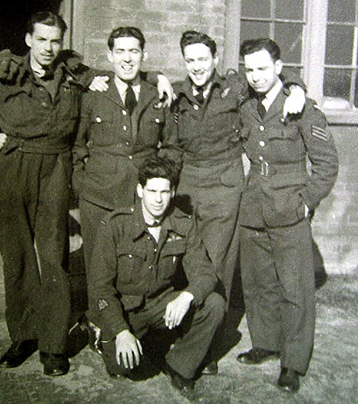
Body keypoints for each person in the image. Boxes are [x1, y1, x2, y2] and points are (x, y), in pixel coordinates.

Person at [0, 11, 101, 376]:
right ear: (28, 39)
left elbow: (115, 79)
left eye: (55, 41)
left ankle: (53, 344)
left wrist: (158, 81)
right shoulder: (6, 74)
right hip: (14, 165)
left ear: (61, 44)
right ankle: (24, 336)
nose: (48, 48)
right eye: (41, 39)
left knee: (53, 254)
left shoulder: (75, 74)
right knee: (15, 254)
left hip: (55, 168)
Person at [172, 30, 306, 373]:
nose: (198, 66)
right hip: (187, 183)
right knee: (187, 261)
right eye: (191, 60)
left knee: (217, 266)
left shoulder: (235, 87)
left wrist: (298, 88)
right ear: (184, 62)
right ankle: (187, 335)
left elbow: (273, 76)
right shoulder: (176, 93)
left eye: (204, 59)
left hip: (224, 184)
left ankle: (210, 347)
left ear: (215, 60)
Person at [236, 38, 339, 393]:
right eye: (249, 69)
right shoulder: (245, 104)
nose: (255, 76)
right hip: (253, 208)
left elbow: (327, 164)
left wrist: (306, 202)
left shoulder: (303, 108)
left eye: (263, 68)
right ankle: (265, 342)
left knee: (295, 289)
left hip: (290, 211)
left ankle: (293, 362)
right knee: (258, 283)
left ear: (279, 68)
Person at [87, 157, 224, 397]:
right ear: (140, 190)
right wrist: (121, 331)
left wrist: (187, 297)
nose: (158, 199)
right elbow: (100, 288)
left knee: (214, 304)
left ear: (172, 192)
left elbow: (205, 272)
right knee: (125, 367)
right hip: (127, 309)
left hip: (162, 303)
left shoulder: (183, 224)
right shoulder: (116, 225)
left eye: (164, 191)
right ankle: (96, 330)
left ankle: (180, 366)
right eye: (152, 191)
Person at [72, 26, 181, 277]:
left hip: (139, 200)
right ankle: (98, 317)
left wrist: (159, 183)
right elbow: (77, 145)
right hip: (98, 197)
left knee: (136, 267)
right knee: (98, 267)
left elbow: (172, 146)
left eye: (134, 51)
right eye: (120, 51)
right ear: (110, 56)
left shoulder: (158, 96)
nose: (127, 58)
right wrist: (81, 183)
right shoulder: (93, 96)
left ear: (143, 55)